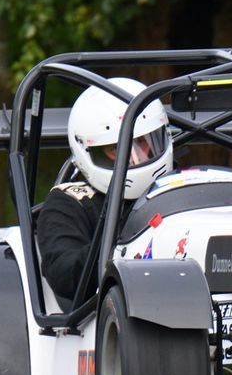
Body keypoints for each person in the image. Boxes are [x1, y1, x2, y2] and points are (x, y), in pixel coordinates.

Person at [38, 78, 173, 305]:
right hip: (118, 322)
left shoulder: (182, 184)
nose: (136, 158)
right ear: (89, 152)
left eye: (142, 141)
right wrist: (124, 237)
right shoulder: (69, 202)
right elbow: (65, 275)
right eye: (116, 149)